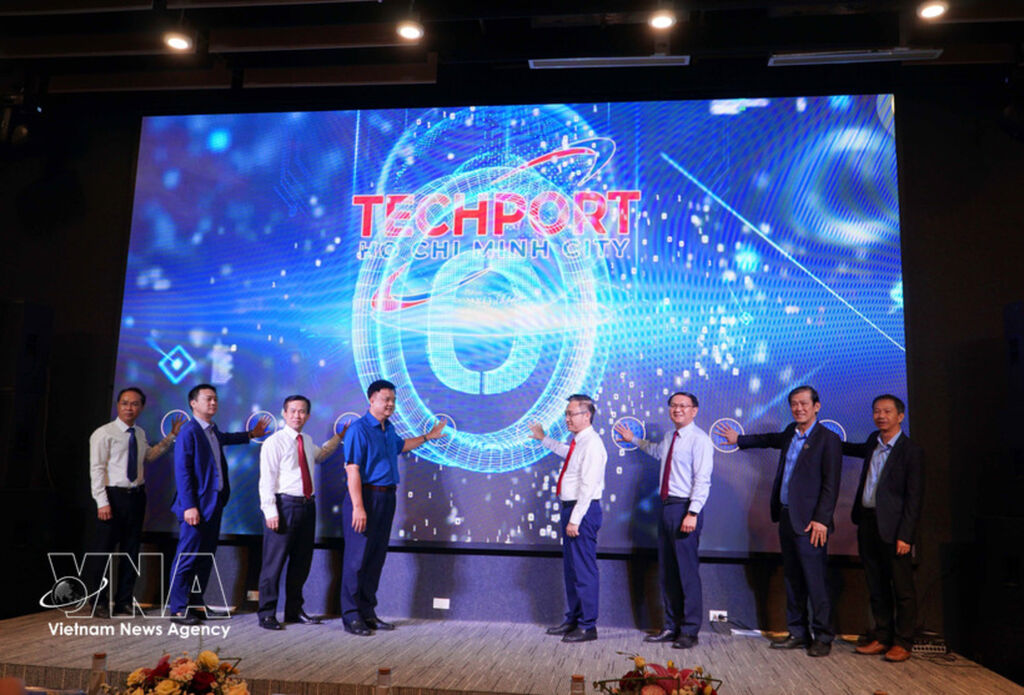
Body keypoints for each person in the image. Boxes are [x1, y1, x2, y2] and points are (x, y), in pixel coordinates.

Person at [716, 385, 841, 657]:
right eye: (794, 404)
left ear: (816, 406)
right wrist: (739, 439)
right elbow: (769, 439)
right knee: (793, 580)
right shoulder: (790, 432)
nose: (799, 408)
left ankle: (823, 636)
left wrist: (822, 519)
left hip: (811, 524)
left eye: (804, 403)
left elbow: (831, 484)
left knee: (816, 581)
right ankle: (798, 633)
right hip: (786, 516)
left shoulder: (828, 439)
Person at [340, 379, 447, 635]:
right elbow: (352, 470)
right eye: (386, 399)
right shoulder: (358, 429)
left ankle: (367, 612)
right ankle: (351, 616)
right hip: (365, 497)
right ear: (372, 400)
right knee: (357, 560)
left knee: (375, 559)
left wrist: (427, 437)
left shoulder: (388, 428)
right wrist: (358, 507)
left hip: (387, 498)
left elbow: (401, 446)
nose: (390, 404)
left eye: (393, 400)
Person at [615, 391, 713, 649]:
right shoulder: (670, 436)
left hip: (685, 509)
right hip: (667, 507)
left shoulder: (700, 440)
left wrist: (692, 512)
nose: (677, 409)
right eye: (673, 405)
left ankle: (689, 631)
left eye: (683, 406)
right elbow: (658, 452)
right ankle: (671, 626)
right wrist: (634, 440)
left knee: (687, 573)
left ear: (694, 410)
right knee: (668, 572)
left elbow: (702, 480)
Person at [167, 383, 268, 625]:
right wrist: (189, 506)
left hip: (214, 504)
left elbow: (226, 438)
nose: (213, 403)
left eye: (215, 399)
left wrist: (251, 434)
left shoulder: (211, 430)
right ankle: (178, 609)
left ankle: (196, 604)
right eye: (208, 399)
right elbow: (183, 472)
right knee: (187, 556)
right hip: (196, 506)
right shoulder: (189, 431)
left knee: (204, 557)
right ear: (193, 403)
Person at [87, 386, 183, 616]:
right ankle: (98, 602)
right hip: (112, 496)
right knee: (103, 552)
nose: (129, 408)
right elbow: (96, 469)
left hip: (136, 496)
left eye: (134, 404)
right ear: (118, 405)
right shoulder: (104, 433)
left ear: (141, 407)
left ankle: (124, 601)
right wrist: (102, 502)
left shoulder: (138, 433)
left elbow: (148, 456)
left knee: (131, 551)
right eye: (124, 403)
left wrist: (171, 437)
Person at [843, 394, 924, 662]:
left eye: (887, 411)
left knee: (902, 588)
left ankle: (903, 642)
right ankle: (882, 637)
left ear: (900, 416)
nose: (881, 416)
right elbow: (850, 449)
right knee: (876, 585)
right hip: (868, 523)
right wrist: (825, 438)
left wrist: (906, 536)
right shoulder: (872, 442)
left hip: (895, 529)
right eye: (877, 411)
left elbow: (914, 499)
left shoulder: (911, 451)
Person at [256, 394, 343, 630]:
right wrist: (270, 511)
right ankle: (267, 613)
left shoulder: (306, 439)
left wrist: (338, 438)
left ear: (308, 415)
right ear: (284, 414)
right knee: (273, 564)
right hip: (284, 506)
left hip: (307, 506)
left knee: (301, 563)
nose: (297, 415)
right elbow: (266, 479)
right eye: (293, 411)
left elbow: (320, 455)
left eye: (302, 411)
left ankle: (294, 611)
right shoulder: (274, 442)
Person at [530, 394, 608, 643]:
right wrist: (543, 439)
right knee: (572, 569)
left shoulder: (593, 444)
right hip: (572, 510)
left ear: (587, 415)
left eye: (571, 414)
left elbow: (588, 486)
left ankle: (588, 626)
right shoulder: (579, 442)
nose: (567, 419)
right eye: (566, 414)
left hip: (582, 511)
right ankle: (573, 619)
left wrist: (575, 519)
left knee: (584, 570)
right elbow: (568, 453)